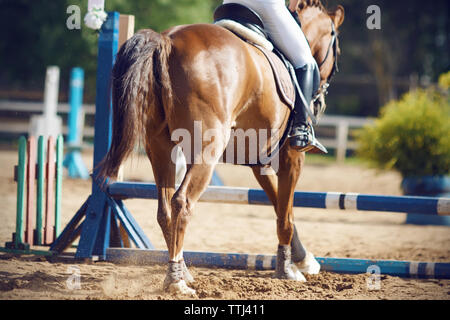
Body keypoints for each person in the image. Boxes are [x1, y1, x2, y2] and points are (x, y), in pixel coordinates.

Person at [222, 0, 326, 153]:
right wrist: (292, 8)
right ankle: (300, 130)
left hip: (229, 4)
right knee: (306, 62)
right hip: (266, 4)